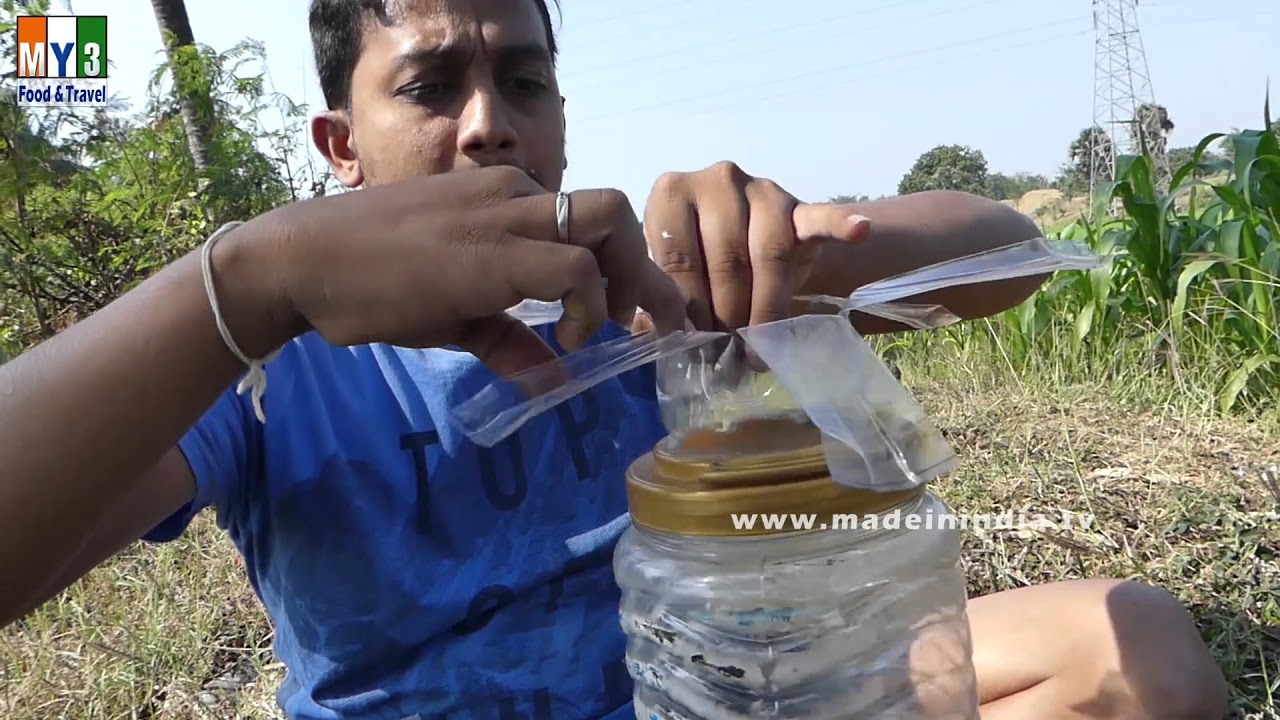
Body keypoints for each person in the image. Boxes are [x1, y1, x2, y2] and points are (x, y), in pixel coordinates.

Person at [0, 0, 1228, 718]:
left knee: (1131, 647)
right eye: (428, 87)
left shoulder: (650, 299)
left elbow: (1008, 257)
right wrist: (240, 289)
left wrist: (796, 250)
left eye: (522, 80)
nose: (488, 123)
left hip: (699, 693)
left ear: (560, 117)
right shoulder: (274, 372)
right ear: (341, 145)